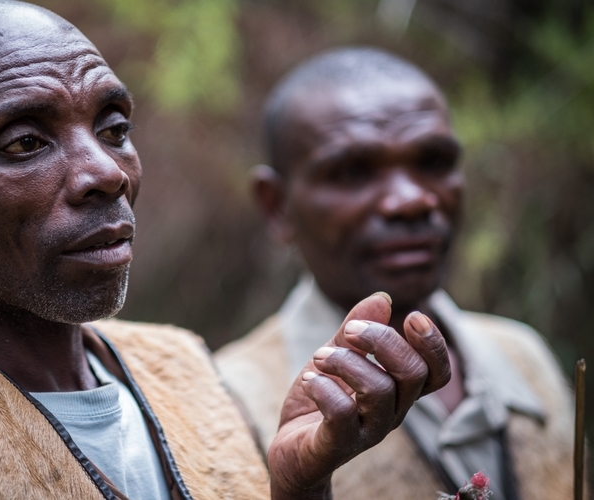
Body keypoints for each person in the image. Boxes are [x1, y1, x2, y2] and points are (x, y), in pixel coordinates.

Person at [0, 4, 451, 499]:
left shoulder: (185, 372)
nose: (107, 172)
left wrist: (300, 486)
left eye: (114, 127)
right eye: (25, 143)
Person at [215, 47, 577, 499]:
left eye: (433, 162)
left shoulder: (524, 360)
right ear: (277, 206)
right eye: (352, 172)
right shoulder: (225, 403)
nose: (411, 200)